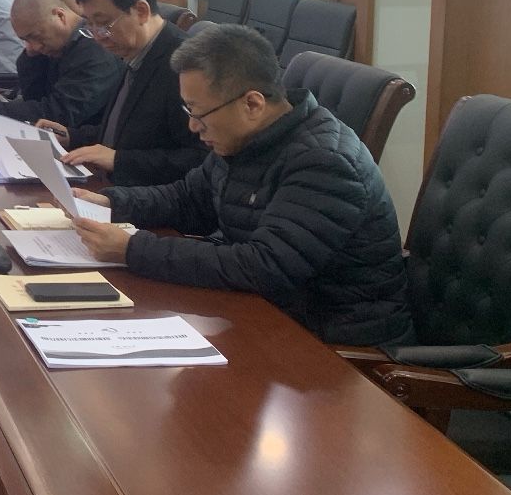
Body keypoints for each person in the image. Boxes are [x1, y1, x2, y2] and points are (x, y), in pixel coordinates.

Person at [72, 25, 411, 346]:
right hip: (269, 315)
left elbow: (264, 267)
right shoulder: (244, 137)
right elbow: (187, 199)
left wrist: (133, 249)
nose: (193, 126)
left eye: (199, 113)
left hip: (331, 342)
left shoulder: (324, 162)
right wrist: (111, 203)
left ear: (252, 103)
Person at [50, 0, 206, 185]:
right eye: (90, 26)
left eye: (103, 24)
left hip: (148, 197)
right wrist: (72, 136)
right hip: (114, 186)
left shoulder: (182, 65)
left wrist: (120, 161)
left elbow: (199, 159)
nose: (98, 36)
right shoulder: (134, 52)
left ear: (141, 11)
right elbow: (126, 130)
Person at [0, 0, 123, 127]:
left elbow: (59, 114)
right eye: (26, 40)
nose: (35, 46)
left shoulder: (94, 50)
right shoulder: (54, 46)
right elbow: (33, 98)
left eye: (37, 36)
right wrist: (31, 57)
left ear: (60, 16)